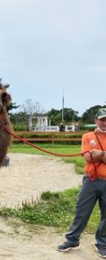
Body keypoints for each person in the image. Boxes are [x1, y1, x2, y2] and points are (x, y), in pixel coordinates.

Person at [57, 107, 106, 258]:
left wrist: (100, 154)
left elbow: (95, 156)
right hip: (90, 181)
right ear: (96, 120)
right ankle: (72, 240)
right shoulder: (87, 136)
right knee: (82, 211)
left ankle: (102, 243)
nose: (104, 123)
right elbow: (88, 158)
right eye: (102, 119)